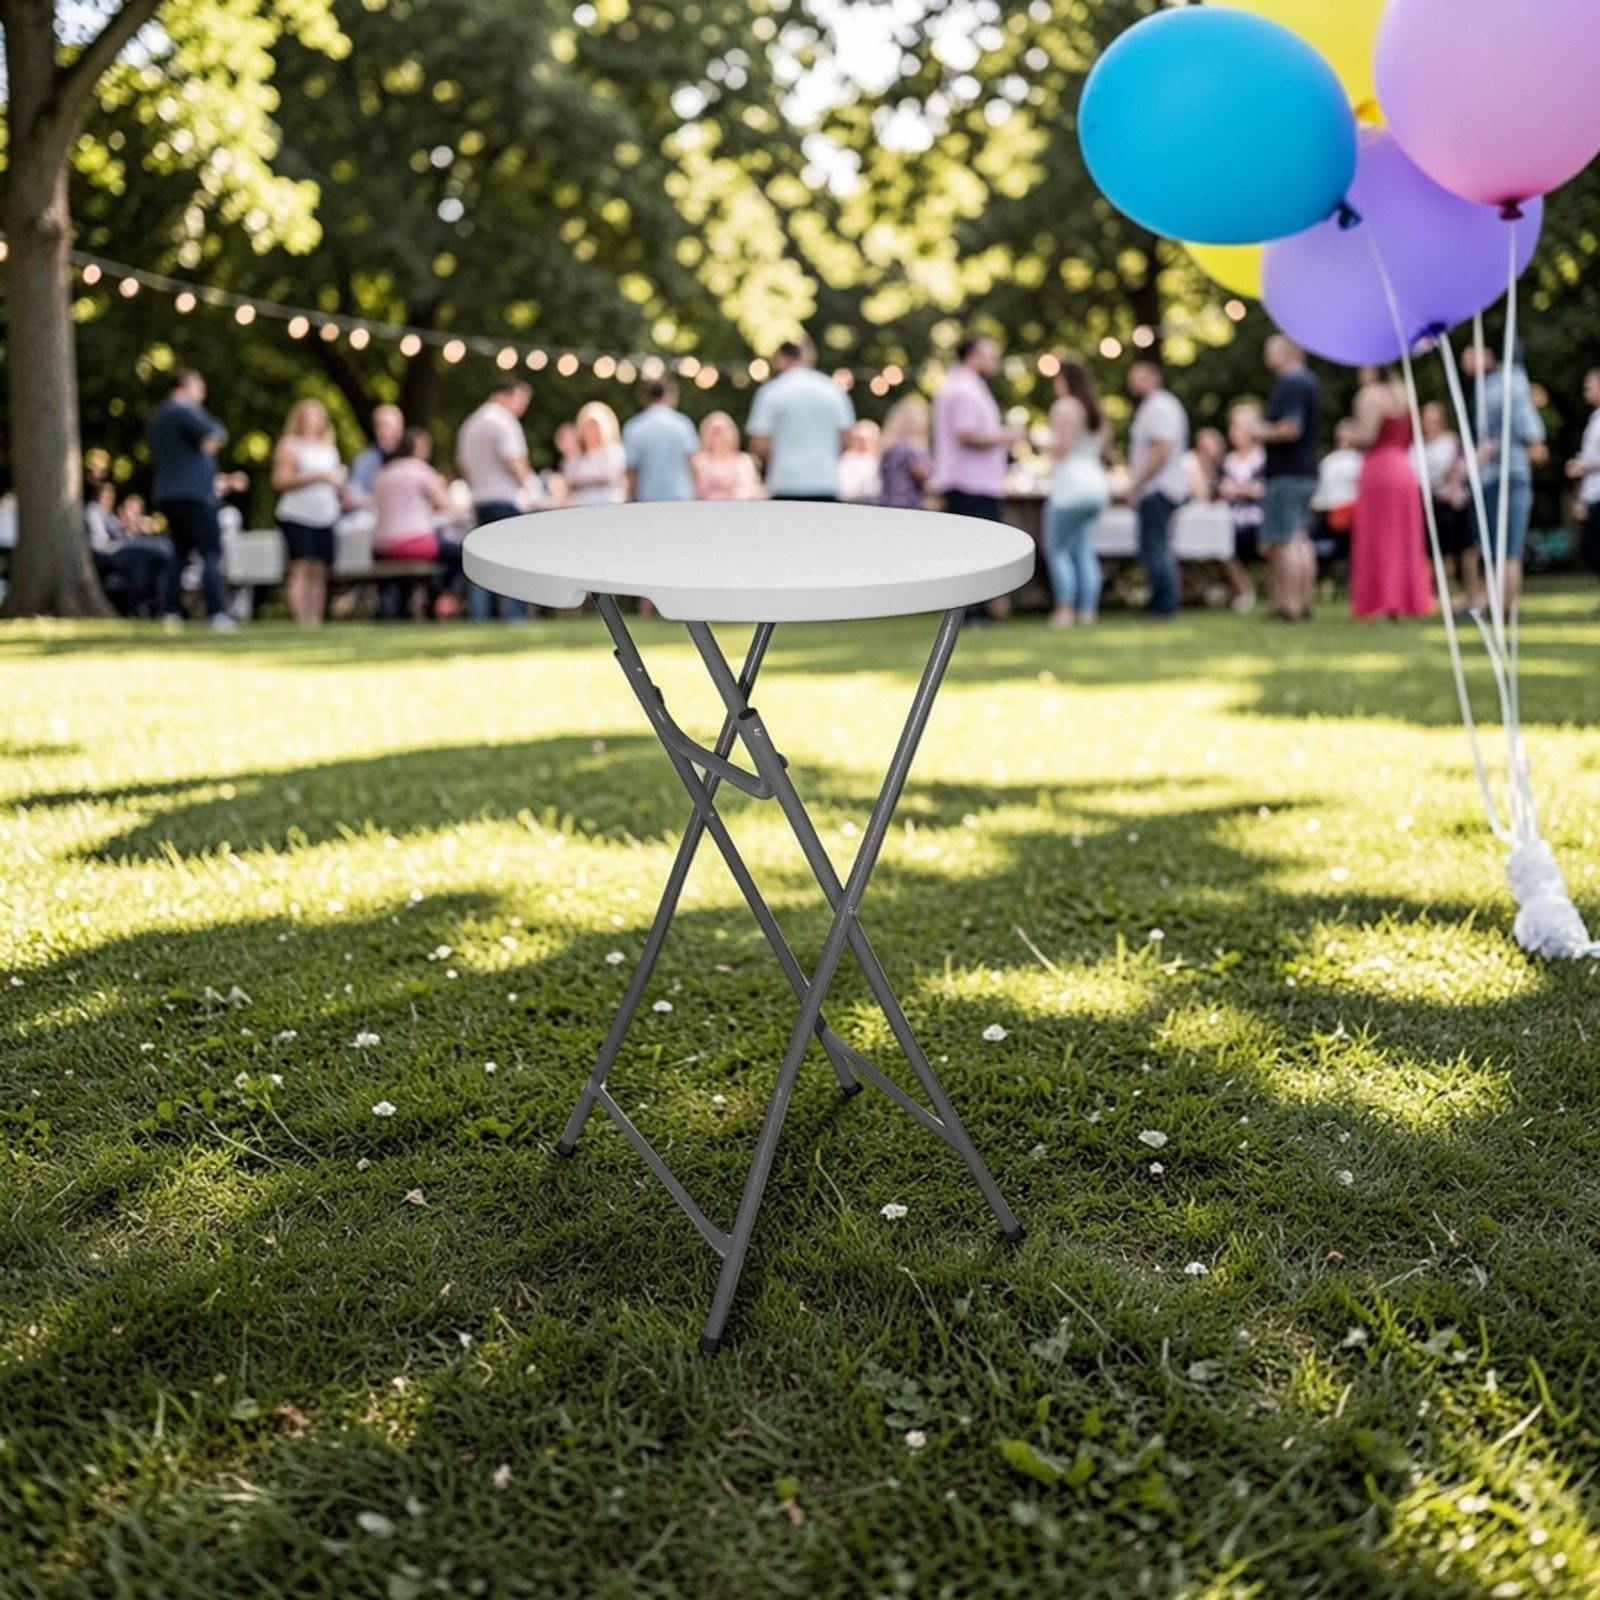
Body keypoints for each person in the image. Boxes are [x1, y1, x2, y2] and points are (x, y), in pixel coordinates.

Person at [148, 369, 238, 632]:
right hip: (194, 495)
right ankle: (216, 611)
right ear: (182, 388)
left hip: (168, 494)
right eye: (198, 387)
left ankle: (170, 611)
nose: (201, 393)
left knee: (179, 553)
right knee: (210, 552)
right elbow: (214, 435)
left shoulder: (158, 417)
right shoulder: (183, 412)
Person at [1464, 343, 1547, 613]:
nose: (1465, 362)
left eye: (1470, 355)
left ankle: (1503, 607)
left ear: (1487, 355)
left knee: (1506, 548)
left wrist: (1528, 444)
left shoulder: (1508, 384)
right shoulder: (1489, 387)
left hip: (1507, 474)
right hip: (1495, 475)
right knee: (1499, 548)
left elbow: (1529, 428)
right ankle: (1498, 606)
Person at [1348, 368, 1434, 621]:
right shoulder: (1404, 392)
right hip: (1404, 467)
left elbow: (1367, 436)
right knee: (1403, 537)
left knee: (1379, 536)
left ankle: (1382, 600)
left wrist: (1348, 435)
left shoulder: (1370, 395)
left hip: (1379, 469)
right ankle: (1406, 599)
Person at [1252, 335, 1321, 623]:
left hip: (1288, 472)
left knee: (1285, 540)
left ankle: (1288, 605)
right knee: (1300, 539)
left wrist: (1258, 430)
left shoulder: (1293, 384)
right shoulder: (1308, 382)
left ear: (1289, 353)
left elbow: (1291, 428)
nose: (1267, 355)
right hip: (1304, 471)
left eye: (1272, 350)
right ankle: (1303, 602)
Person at [457, 378, 535, 621]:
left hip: (480, 500)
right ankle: (514, 614)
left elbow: (464, 467)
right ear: (510, 396)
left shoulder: (471, 424)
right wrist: (532, 489)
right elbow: (515, 462)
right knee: (515, 561)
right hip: (505, 500)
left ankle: (479, 614)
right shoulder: (503, 422)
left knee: (482, 563)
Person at [1042, 358, 1110, 629]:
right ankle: (1088, 610)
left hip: (1070, 486)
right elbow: (1102, 447)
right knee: (1084, 550)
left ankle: (1065, 608)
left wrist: (1040, 442)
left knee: (1057, 549)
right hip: (1096, 483)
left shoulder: (1065, 407)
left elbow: (1063, 447)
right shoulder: (1096, 409)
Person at [930, 333, 1025, 524]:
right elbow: (966, 434)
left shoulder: (962, 386)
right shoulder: (964, 390)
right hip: (970, 486)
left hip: (971, 485)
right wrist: (1008, 435)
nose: (995, 360)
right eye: (991, 355)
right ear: (974, 356)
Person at [746, 338, 855, 501]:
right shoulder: (833, 390)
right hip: (825, 482)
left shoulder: (771, 392)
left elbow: (759, 443)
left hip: (785, 483)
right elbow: (846, 438)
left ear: (781, 358)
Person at [371, 427, 464, 610]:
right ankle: (444, 598)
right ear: (419, 447)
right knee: (461, 555)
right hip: (414, 542)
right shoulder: (420, 471)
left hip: (382, 545)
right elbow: (446, 505)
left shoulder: (383, 473)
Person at [272, 398, 345, 627]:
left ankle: (315, 618)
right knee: (301, 566)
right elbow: (280, 480)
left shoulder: (329, 447)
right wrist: (317, 476)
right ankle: (301, 619)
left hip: (326, 514)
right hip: (298, 514)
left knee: (320, 569)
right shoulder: (290, 445)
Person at [1125, 361, 1190, 620]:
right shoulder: (1155, 406)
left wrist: (1137, 482)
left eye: (1138, 377)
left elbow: (1161, 450)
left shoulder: (1159, 407)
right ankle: (1159, 601)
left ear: (1154, 378)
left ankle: (1165, 604)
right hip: (1157, 486)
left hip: (1159, 487)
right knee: (1152, 547)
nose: (1133, 383)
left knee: (1156, 547)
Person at [85, 480, 172, 617]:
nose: (108, 501)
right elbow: (101, 542)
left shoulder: (109, 516)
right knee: (156, 551)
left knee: (147, 562)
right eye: (105, 497)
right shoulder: (94, 511)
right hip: (107, 553)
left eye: (111, 498)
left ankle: (146, 606)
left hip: (121, 552)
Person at [1420, 401, 1471, 601]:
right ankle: (1433, 591)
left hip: (1449, 503)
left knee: (1451, 550)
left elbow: (1452, 471)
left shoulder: (1451, 441)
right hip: (1426, 502)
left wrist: (1437, 479)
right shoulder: (1419, 445)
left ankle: (1453, 589)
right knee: (1431, 551)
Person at [1217, 406, 1266, 615]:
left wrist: (1238, 490)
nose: (1235, 431)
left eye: (1240, 426)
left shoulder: (1263, 457)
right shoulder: (1229, 460)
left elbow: (1264, 489)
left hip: (1259, 518)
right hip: (1231, 518)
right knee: (1217, 541)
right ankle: (1243, 590)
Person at [623, 380, 700, 503]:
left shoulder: (634, 427)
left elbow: (631, 471)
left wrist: (631, 498)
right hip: (681, 495)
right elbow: (694, 463)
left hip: (647, 496)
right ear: (668, 395)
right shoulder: (683, 424)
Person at [1565, 369, 1600, 606]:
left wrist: (1584, 466)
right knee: (1590, 550)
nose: (1585, 391)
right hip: (1593, 492)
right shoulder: (1594, 419)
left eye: (1589, 386)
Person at [1310, 417, 1364, 570]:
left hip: (1351, 514)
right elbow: (1320, 491)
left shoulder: (1360, 459)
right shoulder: (1329, 461)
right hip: (1328, 513)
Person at [563, 401, 629, 507]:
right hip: (582, 505)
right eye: (587, 427)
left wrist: (584, 481)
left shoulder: (613, 450)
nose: (590, 431)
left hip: (608, 503)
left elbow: (611, 475)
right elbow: (568, 479)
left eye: (594, 427)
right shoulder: (579, 454)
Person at [876, 398, 933, 511]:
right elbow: (924, 477)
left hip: (887, 503)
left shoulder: (887, 449)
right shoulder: (913, 449)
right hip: (909, 506)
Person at [692, 412, 763, 500]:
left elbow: (752, 487)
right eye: (717, 431)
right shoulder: (699, 461)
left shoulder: (744, 460)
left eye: (726, 429)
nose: (722, 435)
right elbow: (699, 490)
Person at [349, 404, 404, 502]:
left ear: (400, 428)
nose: (383, 430)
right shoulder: (365, 460)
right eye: (380, 426)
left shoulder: (410, 459)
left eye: (387, 425)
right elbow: (354, 493)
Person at [839, 420, 883, 504]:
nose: (859, 443)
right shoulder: (846, 459)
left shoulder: (878, 461)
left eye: (862, 439)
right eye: (856, 439)